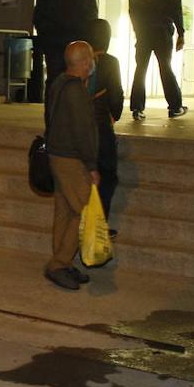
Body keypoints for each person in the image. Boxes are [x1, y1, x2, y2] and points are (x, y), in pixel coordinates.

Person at [43, 40, 100, 291]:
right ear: (85, 63)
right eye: (91, 61)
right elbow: (84, 132)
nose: (92, 65)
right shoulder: (76, 91)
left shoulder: (57, 83)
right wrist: (91, 165)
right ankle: (59, 263)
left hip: (57, 153)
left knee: (64, 210)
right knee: (83, 210)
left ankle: (61, 262)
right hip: (71, 158)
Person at [32, 0, 98, 99]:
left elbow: (39, 13)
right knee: (77, 81)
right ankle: (73, 116)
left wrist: (45, 35)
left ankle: (52, 119)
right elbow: (91, 14)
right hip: (77, 42)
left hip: (53, 42)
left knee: (53, 80)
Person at [128, 0, 187, 119]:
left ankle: (137, 108)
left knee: (141, 68)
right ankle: (175, 107)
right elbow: (177, 9)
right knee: (165, 67)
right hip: (162, 31)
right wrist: (181, 34)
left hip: (144, 32)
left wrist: (137, 28)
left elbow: (132, 7)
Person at [87, 19, 123, 234]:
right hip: (101, 127)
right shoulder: (110, 62)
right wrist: (114, 116)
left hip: (82, 128)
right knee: (107, 175)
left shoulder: (81, 60)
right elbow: (116, 94)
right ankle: (99, 223)